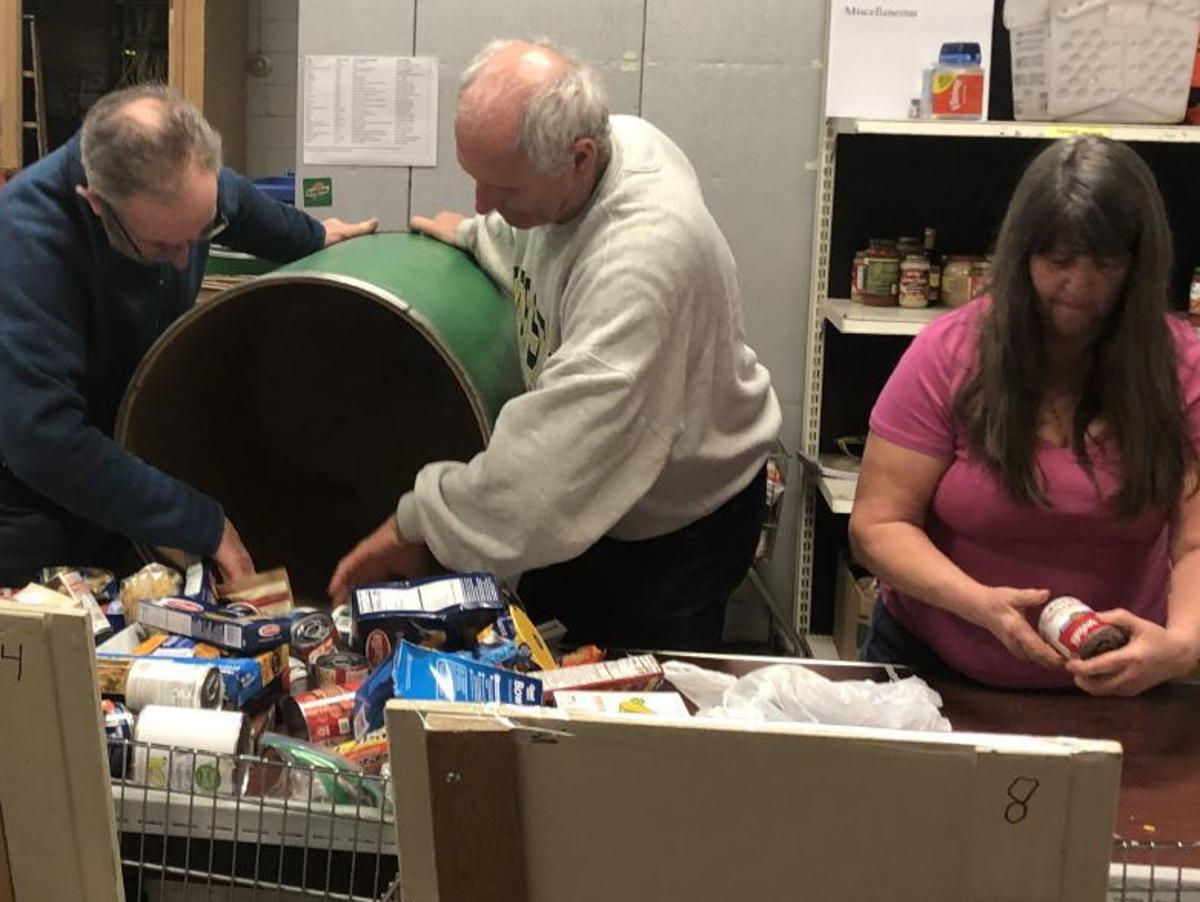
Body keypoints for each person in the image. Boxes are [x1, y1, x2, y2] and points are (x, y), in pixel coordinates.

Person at [329, 39, 780, 651]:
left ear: (581, 157)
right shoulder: (617, 143)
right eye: (477, 181)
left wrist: (414, 525)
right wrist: (474, 235)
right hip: (602, 502)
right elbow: (547, 242)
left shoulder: (644, 259)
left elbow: (548, 470)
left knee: (631, 705)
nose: (483, 202)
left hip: (681, 522)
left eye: (502, 191)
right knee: (539, 652)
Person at [849, 135, 1200, 697]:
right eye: (1057, 261)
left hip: (1115, 682)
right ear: (1022, 256)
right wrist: (979, 605)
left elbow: (1194, 543)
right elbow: (878, 524)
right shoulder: (951, 351)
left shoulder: (1183, 369)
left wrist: (1182, 644)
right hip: (934, 670)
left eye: (1104, 264)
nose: (1078, 287)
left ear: (1139, 264)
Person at [0, 84, 378, 587]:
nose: (184, 260)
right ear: (96, 204)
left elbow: (238, 204)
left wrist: (313, 237)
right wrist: (200, 520)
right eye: (163, 244)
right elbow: (42, 439)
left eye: (199, 233)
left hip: (114, 453)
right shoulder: (26, 242)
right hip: (28, 496)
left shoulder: (190, 186)